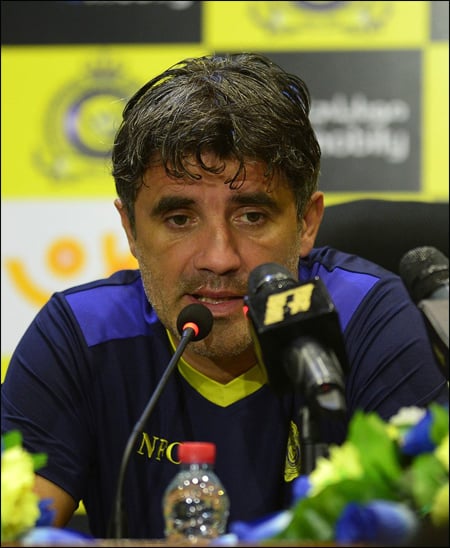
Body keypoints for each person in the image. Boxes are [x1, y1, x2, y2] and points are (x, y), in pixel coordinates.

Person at [1, 52, 448, 540]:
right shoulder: (81, 334)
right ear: (130, 230)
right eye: (179, 219)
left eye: (252, 216)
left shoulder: (366, 317)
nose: (219, 257)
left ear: (306, 223)